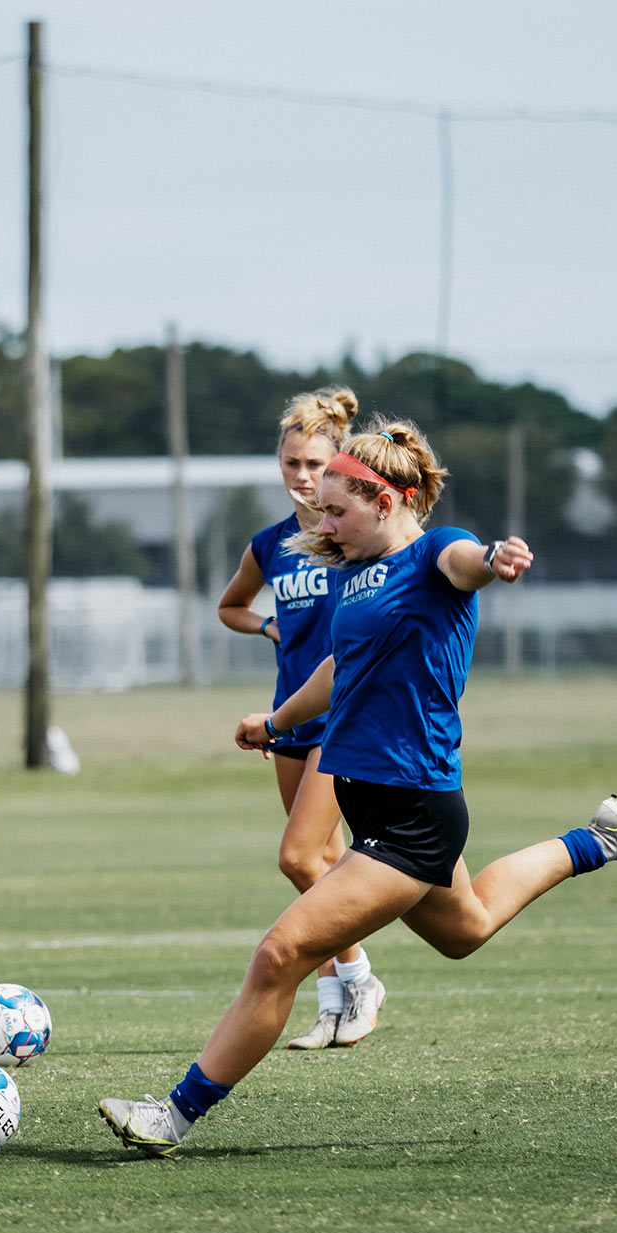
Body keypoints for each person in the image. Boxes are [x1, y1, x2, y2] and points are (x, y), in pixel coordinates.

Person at [99, 419, 617, 1157]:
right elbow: (340, 670)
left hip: (412, 813)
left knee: (281, 954)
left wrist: (497, 559)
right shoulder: (353, 571)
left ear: (388, 500)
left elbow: (471, 562)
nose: (325, 521)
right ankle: (601, 838)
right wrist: (275, 723)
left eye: (338, 510)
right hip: (377, 797)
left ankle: (170, 1117)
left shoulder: (437, 553)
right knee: (465, 930)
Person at [215, 386, 384, 1050]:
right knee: (324, 859)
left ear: (339, 464)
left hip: (343, 713)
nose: (304, 477)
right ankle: (338, 998)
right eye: (292, 464)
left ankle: (359, 980)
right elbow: (230, 606)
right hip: (288, 717)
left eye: (316, 465)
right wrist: (266, 627)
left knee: (298, 856)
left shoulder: (352, 539)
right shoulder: (271, 543)